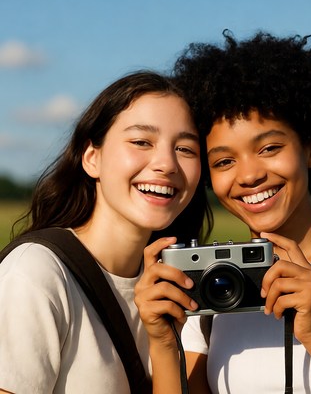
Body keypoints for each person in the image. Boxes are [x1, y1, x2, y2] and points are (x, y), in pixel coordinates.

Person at [135, 31, 311, 393]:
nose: (249, 175)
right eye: (224, 161)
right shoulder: (207, 284)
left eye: (270, 147)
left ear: (309, 149)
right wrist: (165, 346)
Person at [0, 71, 214, 393]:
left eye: (186, 149)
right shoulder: (35, 273)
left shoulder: (175, 284)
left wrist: (164, 345)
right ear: (92, 158)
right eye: (142, 142)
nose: (167, 163)